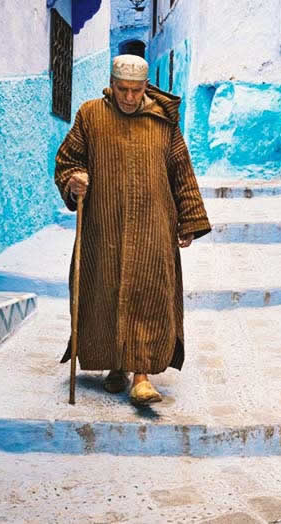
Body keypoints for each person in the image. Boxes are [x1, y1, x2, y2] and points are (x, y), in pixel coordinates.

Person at [54, 54, 211, 405]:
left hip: (153, 225)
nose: (128, 97)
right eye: (123, 90)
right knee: (105, 293)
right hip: (103, 224)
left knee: (148, 293)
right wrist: (73, 180)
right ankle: (115, 365)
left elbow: (181, 172)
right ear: (112, 85)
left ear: (145, 88)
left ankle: (141, 376)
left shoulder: (162, 122)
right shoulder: (90, 115)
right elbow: (68, 160)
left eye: (136, 90)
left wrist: (189, 220)